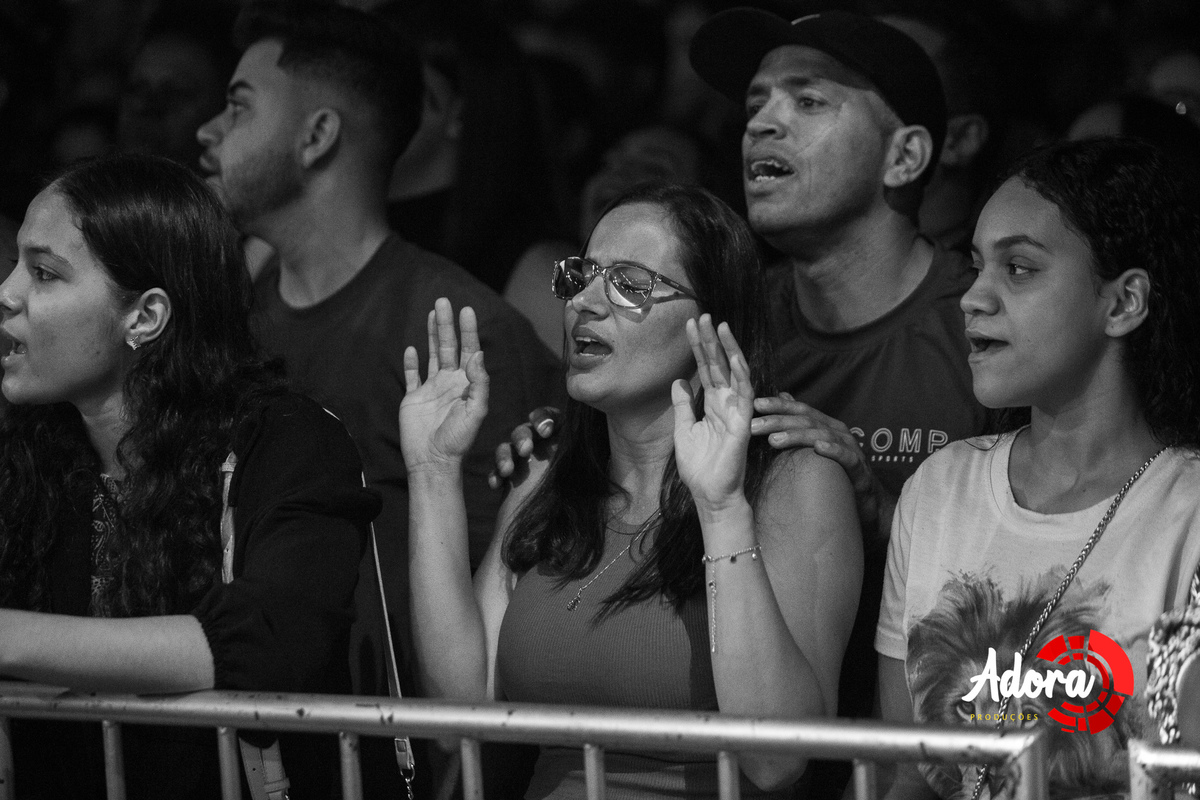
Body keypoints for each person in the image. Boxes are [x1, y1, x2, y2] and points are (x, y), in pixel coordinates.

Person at [402, 182, 862, 798]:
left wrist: (721, 509)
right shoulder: (547, 476)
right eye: (582, 275)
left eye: (629, 284)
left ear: (711, 323)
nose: (584, 302)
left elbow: (776, 761)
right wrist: (432, 472)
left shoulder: (794, 482)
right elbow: (458, 715)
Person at [195, 1, 561, 710]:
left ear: (317, 136)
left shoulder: (459, 333)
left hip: (406, 747)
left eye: (239, 107)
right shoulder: (230, 322)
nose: (207, 131)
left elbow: (507, 604)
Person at [0, 153, 379, 798]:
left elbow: (272, 641)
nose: (7, 292)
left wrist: (8, 637)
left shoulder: (286, 442)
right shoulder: (30, 452)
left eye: (43, 272)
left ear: (145, 317)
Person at [876, 137, 1200, 799]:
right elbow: (908, 770)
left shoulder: (1188, 512)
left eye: (1018, 268)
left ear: (1123, 303)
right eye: (976, 267)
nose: (973, 298)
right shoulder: (938, 490)